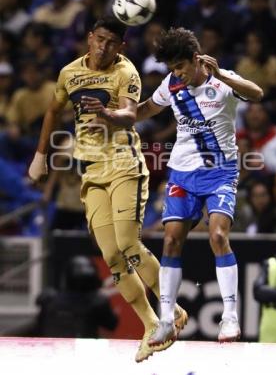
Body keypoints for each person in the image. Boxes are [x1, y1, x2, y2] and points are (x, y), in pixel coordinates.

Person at [83, 26, 263, 347]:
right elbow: (147, 109)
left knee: (218, 235)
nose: (176, 73)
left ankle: (230, 315)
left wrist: (223, 75)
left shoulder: (221, 81)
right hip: (181, 173)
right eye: (172, 68)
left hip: (219, 172)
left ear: (196, 59)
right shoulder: (173, 83)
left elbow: (257, 93)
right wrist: (110, 116)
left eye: (180, 66)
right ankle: (166, 318)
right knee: (170, 242)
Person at [28, 16, 187, 363]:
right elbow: (53, 112)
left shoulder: (125, 72)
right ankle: (150, 326)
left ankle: (172, 311)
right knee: (113, 257)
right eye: (99, 39)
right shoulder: (69, 73)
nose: (104, 47)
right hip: (92, 171)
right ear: (89, 38)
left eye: (112, 43)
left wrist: (107, 112)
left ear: (122, 47)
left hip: (123, 164)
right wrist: (41, 156)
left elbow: (132, 115)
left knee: (129, 244)